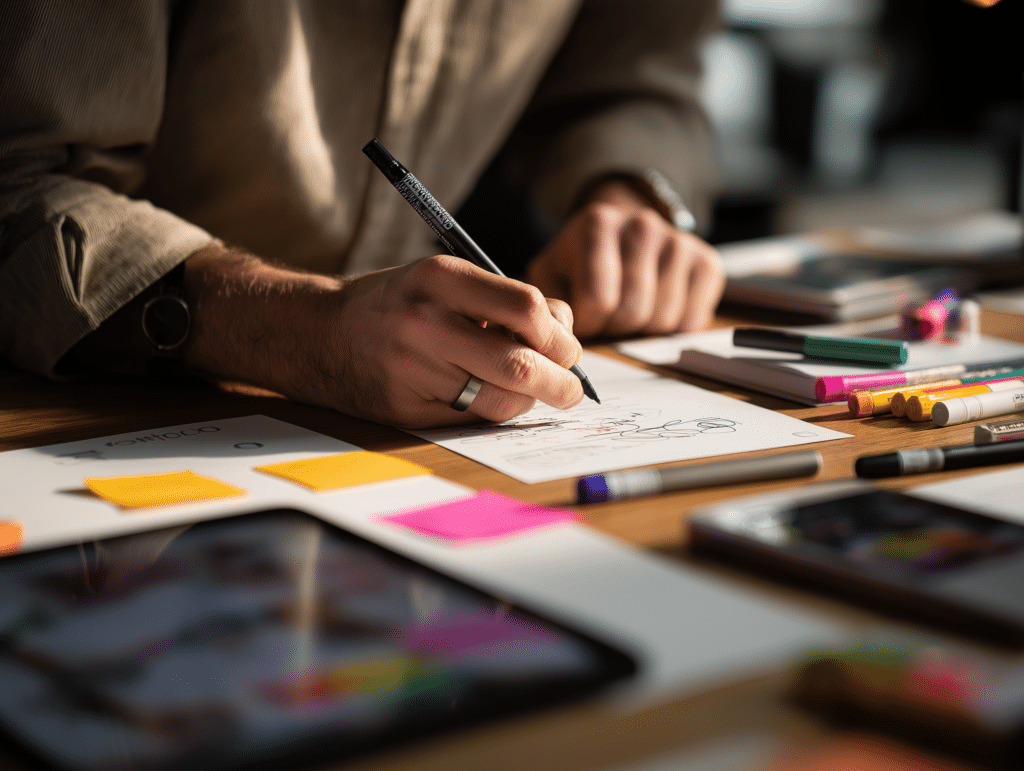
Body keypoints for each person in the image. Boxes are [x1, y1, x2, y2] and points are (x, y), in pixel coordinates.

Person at [0, 0, 725, 429]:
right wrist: (296, 327)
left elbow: (633, 70)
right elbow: (19, 179)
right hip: (78, 409)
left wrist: (626, 195)